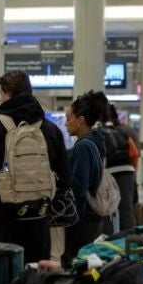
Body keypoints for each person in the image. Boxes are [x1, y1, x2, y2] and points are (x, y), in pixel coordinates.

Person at [0, 70, 71, 263]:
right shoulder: (50, 129)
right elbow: (64, 177)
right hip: (38, 218)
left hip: (0, 219)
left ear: (7, 92)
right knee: (35, 275)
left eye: (1, 93)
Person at [63, 91, 107, 266]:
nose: (66, 123)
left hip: (82, 218)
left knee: (77, 261)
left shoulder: (83, 146)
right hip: (92, 216)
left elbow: (78, 187)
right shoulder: (96, 141)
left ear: (80, 120)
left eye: (69, 118)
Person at [100, 102, 138, 234]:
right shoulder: (124, 131)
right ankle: (129, 241)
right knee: (126, 210)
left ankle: (110, 240)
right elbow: (134, 154)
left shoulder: (98, 132)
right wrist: (132, 171)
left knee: (107, 209)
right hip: (127, 172)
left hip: (109, 172)